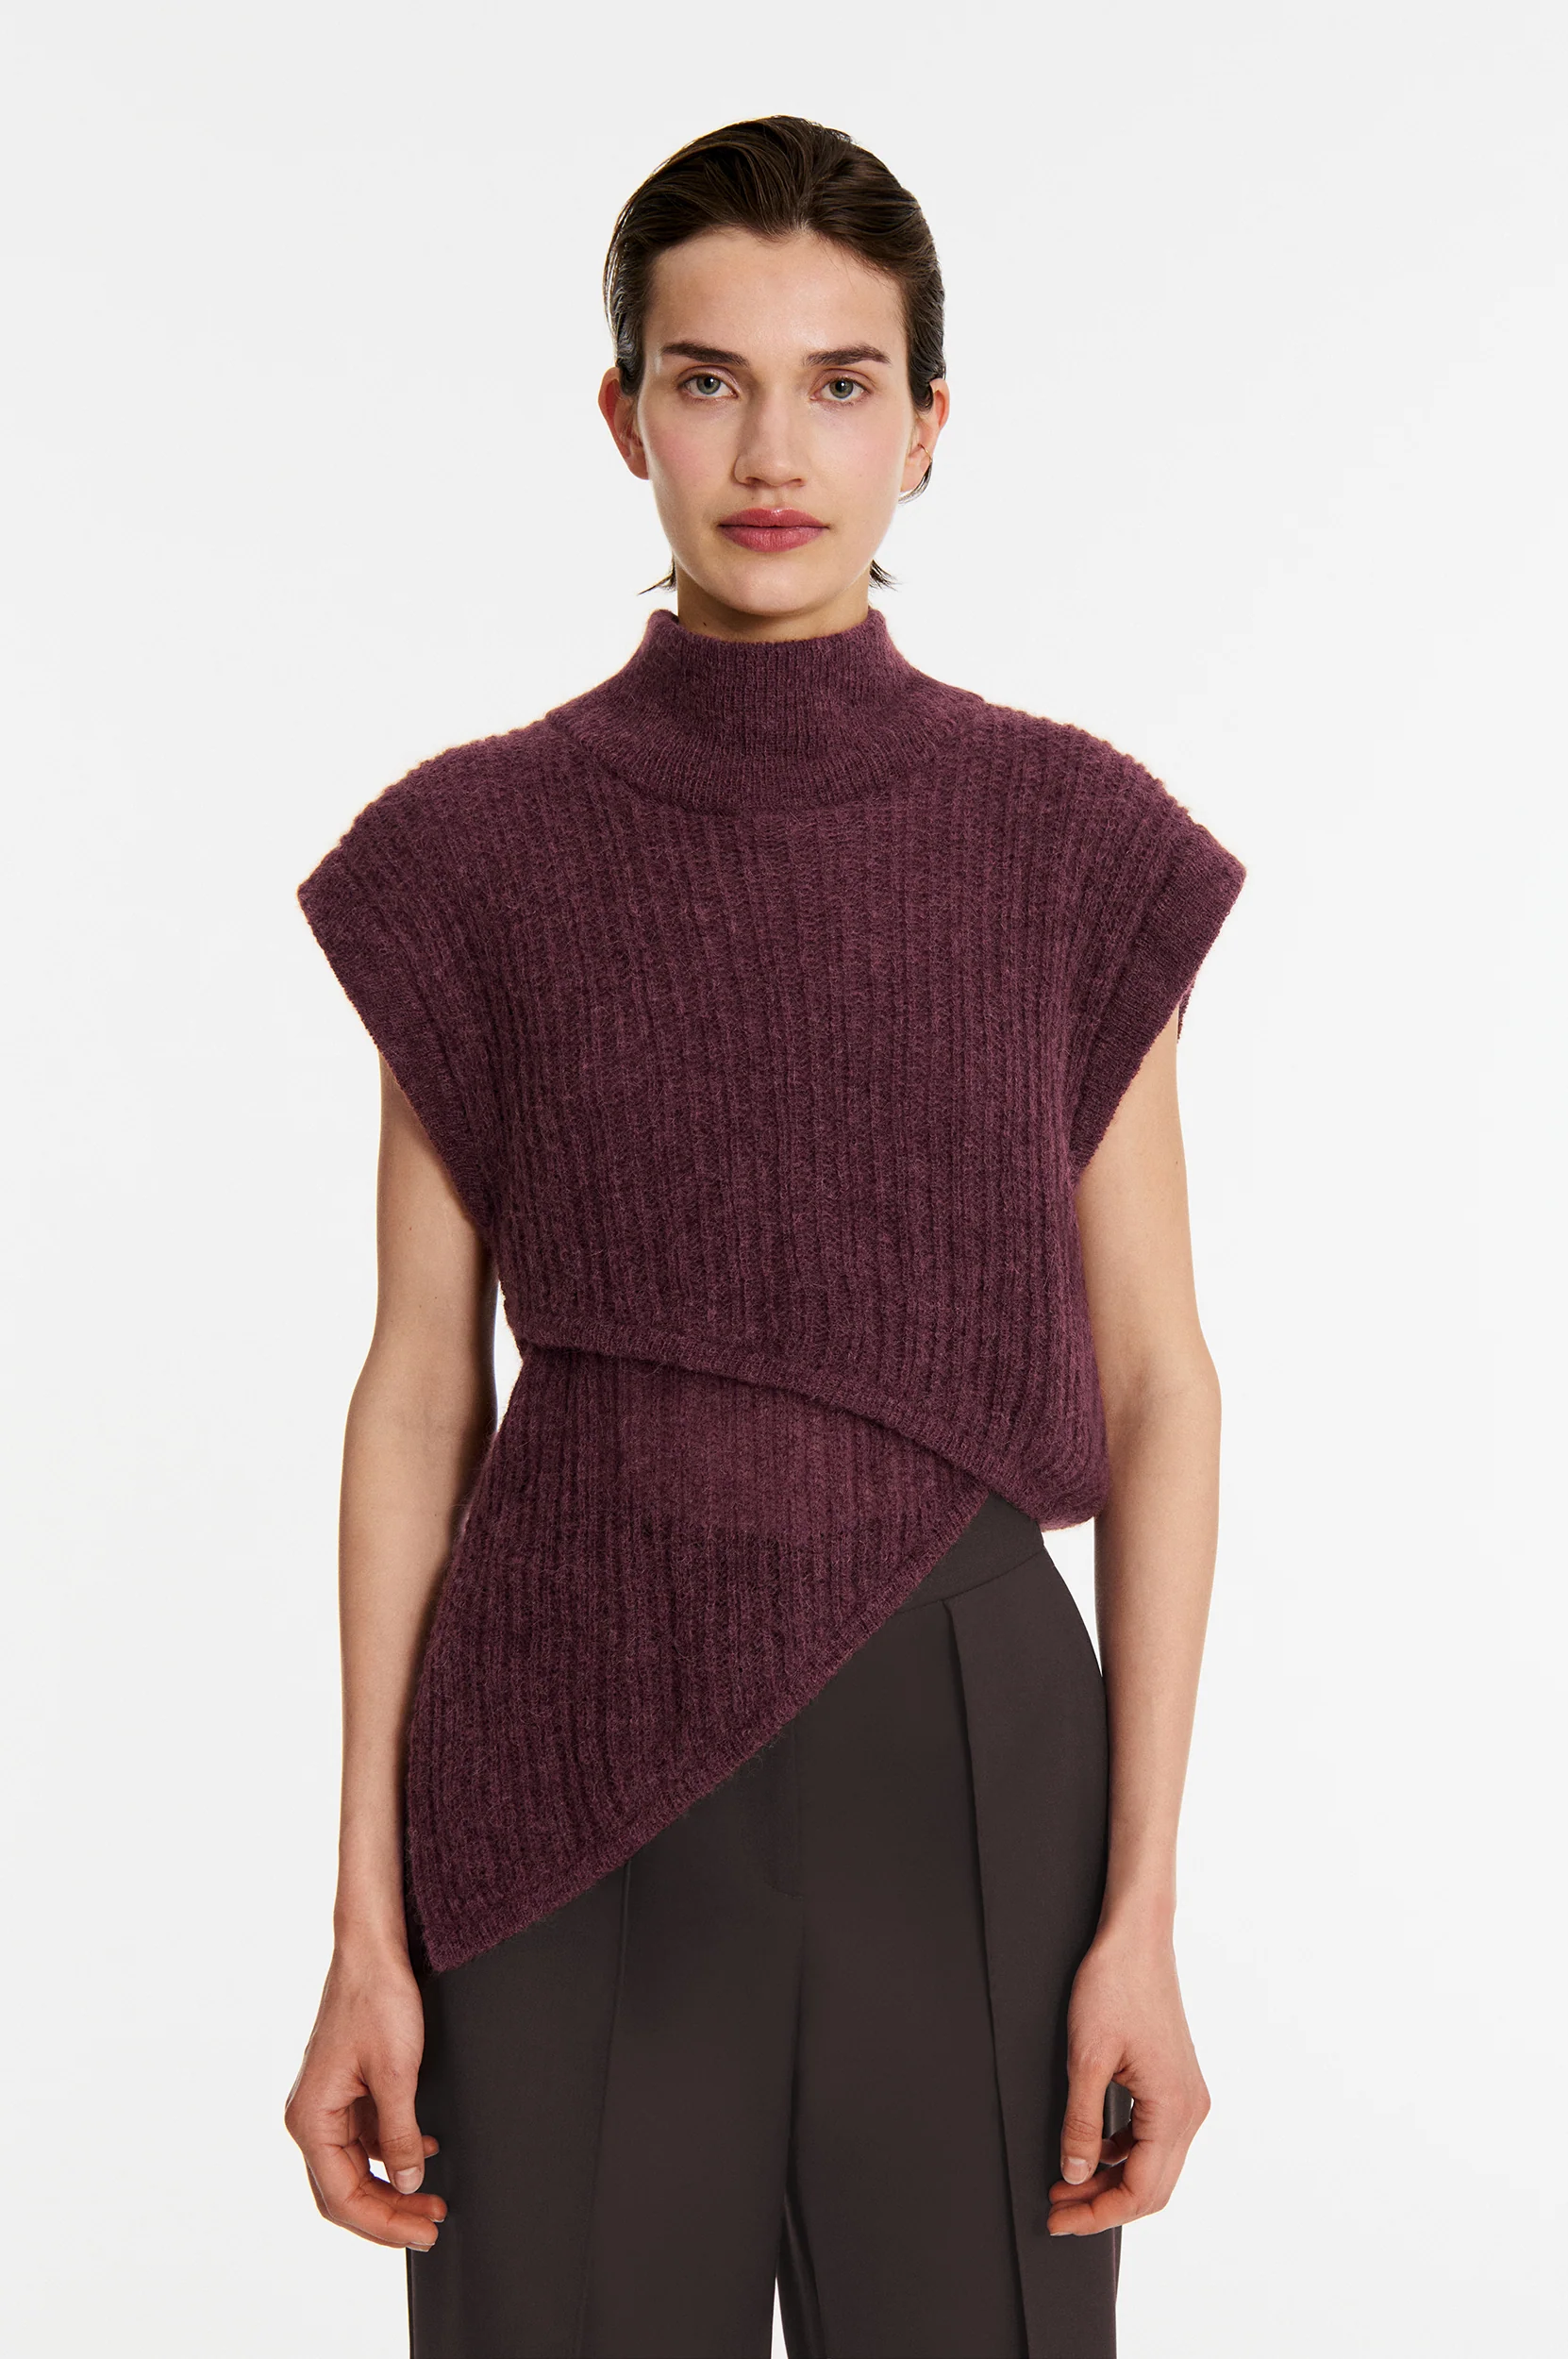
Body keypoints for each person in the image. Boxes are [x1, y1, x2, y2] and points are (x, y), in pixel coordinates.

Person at [283, 115, 1247, 2359]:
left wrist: (1142, 1907)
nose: (774, 450)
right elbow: (418, 1387)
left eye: (841, 382)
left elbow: (1158, 1382)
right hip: (555, 1772)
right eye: (708, 380)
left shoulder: (1067, 839)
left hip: (970, 1770)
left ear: (931, 423)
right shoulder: (473, 855)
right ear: (625, 415)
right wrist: (361, 1918)